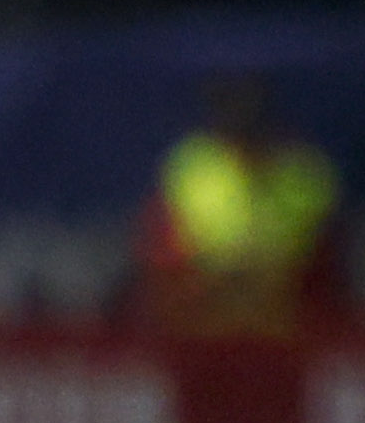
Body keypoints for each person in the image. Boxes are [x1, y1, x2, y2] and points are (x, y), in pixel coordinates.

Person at [139, 73, 338, 335]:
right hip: (203, 311)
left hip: (286, 318)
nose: (243, 146)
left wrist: (265, 278)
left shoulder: (303, 173)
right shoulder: (191, 165)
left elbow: (323, 264)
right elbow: (163, 259)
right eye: (234, 133)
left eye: (252, 132)